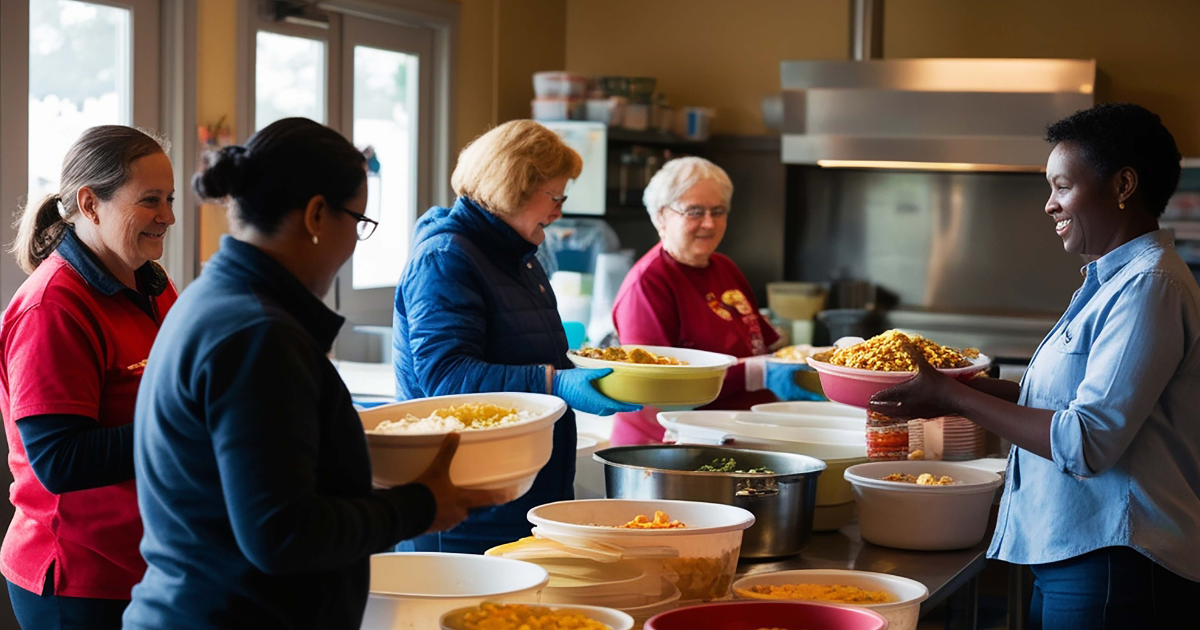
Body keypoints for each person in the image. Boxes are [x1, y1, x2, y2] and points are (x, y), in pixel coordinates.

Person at [123, 118, 494, 629]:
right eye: (359, 222)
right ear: (318, 215)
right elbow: (282, 534)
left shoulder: (217, 301)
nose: (356, 243)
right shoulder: (258, 334)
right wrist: (420, 505)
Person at [871, 103, 1200, 629]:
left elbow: (1086, 440)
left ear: (1123, 185)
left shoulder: (1148, 287)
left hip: (1117, 557)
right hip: (1072, 549)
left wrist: (955, 398)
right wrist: (960, 386)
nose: (1049, 205)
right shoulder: (1111, 282)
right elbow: (1055, 404)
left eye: (1062, 187)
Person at [393, 119, 639, 554]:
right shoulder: (446, 259)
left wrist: (598, 372)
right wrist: (556, 383)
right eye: (556, 196)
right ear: (516, 187)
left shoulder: (516, 256)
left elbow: (529, 350)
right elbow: (446, 379)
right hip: (465, 505)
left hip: (519, 493)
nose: (560, 211)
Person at [0, 126, 175, 629]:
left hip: (146, 559)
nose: (167, 215)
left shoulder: (152, 285)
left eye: (167, 198)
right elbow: (61, 460)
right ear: (90, 204)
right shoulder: (52, 307)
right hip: (80, 576)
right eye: (149, 201)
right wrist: (191, 427)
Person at [609, 157, 780, 445]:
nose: (709, 223)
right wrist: (759, 372)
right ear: (662, 216)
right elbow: (660, 386)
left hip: (732, 434)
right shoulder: (649, 283)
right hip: (670, 445)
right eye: (695, 211)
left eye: (718, 210)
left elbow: (764, 345)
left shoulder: (725, 267)